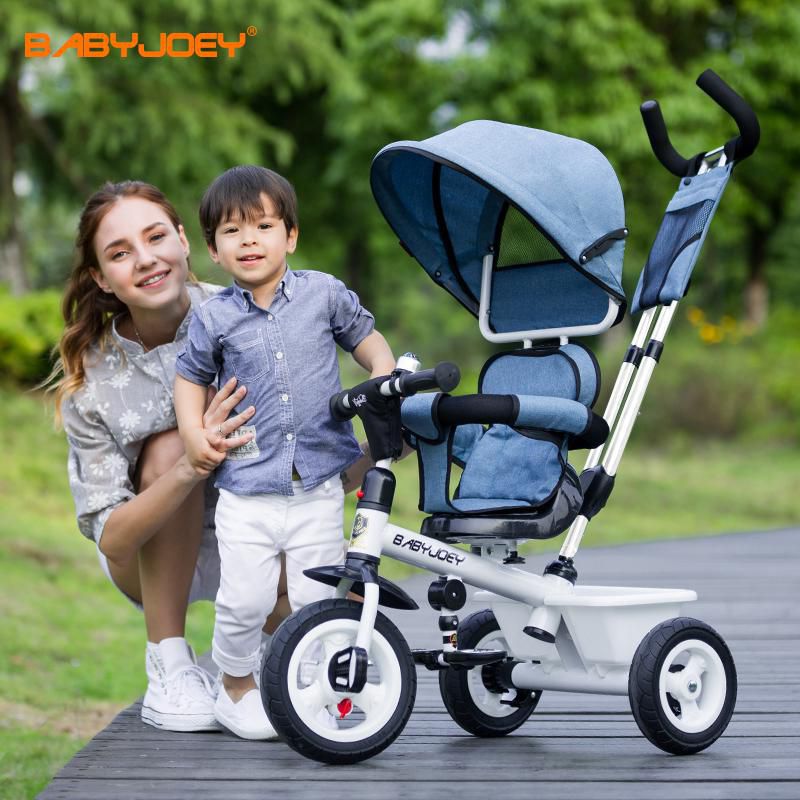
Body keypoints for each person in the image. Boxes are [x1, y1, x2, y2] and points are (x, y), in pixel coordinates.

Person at [50, 180, 301, 733]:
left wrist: (377, 442)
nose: (145, 259)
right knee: (170, 444)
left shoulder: (251, 314)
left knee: (321, 611)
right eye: (120, 253)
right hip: (150, 553)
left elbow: (305, 453)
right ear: (101, 277)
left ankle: (262, 651)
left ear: (184, 241)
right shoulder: (93, 383)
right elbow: (112, 538)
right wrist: (192, 463)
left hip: (250, 533)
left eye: (156, 237)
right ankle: (169, 664)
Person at [174, 165, 398, 740]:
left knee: (315, 598)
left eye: (263, 226)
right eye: (232, 231)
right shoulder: (213, 317)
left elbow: (366, 338)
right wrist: (195, 433)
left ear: (290, 236)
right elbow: (190, 377)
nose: (249, 240)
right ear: (214, 250)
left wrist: (382, 374)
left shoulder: (324, 294)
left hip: (317, 488)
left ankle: (308, 689)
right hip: (246, 490)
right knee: (244, 601)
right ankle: (234, 685)